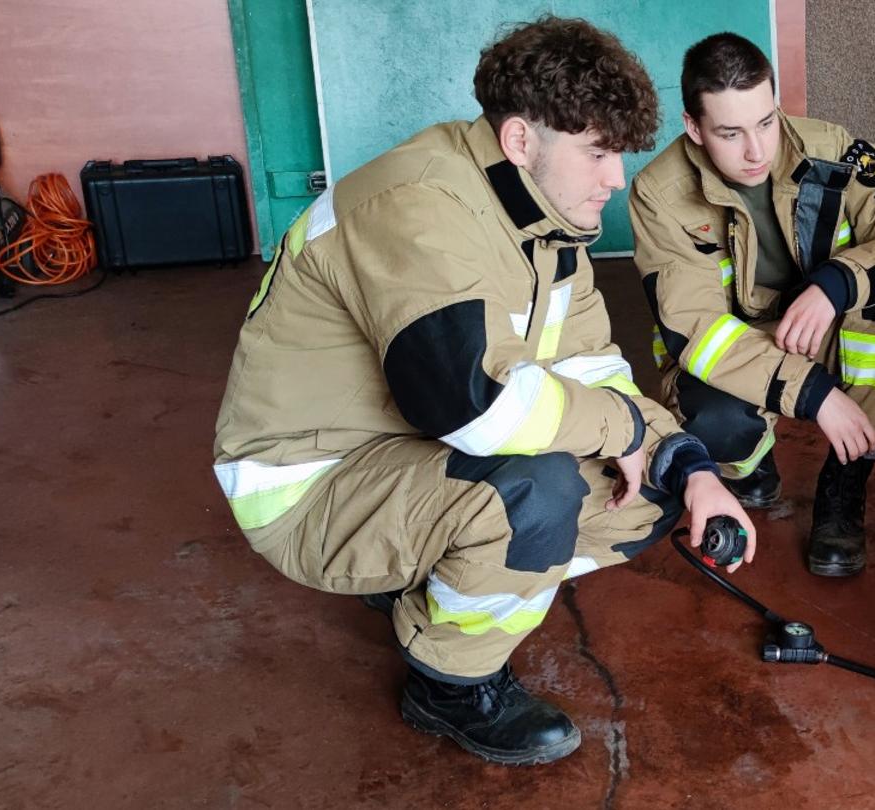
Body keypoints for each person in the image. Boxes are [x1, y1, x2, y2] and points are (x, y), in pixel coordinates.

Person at [211, 16, 753, 767]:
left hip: (409, 451)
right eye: (596, 153)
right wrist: (626, 430)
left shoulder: (544, 223)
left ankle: (428, 578)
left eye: (618, 154)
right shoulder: (419, 204)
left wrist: (683, 462)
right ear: (521, 141)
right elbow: (473, 405)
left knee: (655, 492)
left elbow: (594, 370)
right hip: (310, 484)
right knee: (534, 491)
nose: (615, 180)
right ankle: (448, 686)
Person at [629, 33, 875, 576]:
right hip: (733, 346)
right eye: (730, 133)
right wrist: (815, 394)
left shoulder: (830, 148)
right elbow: (699, 332)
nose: (757, 150)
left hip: (822, 322)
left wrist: (838, 285)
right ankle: (751, 467)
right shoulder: (659, 195)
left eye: (765, 122)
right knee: (718, 422)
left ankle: (845, 483)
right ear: (693, 127)